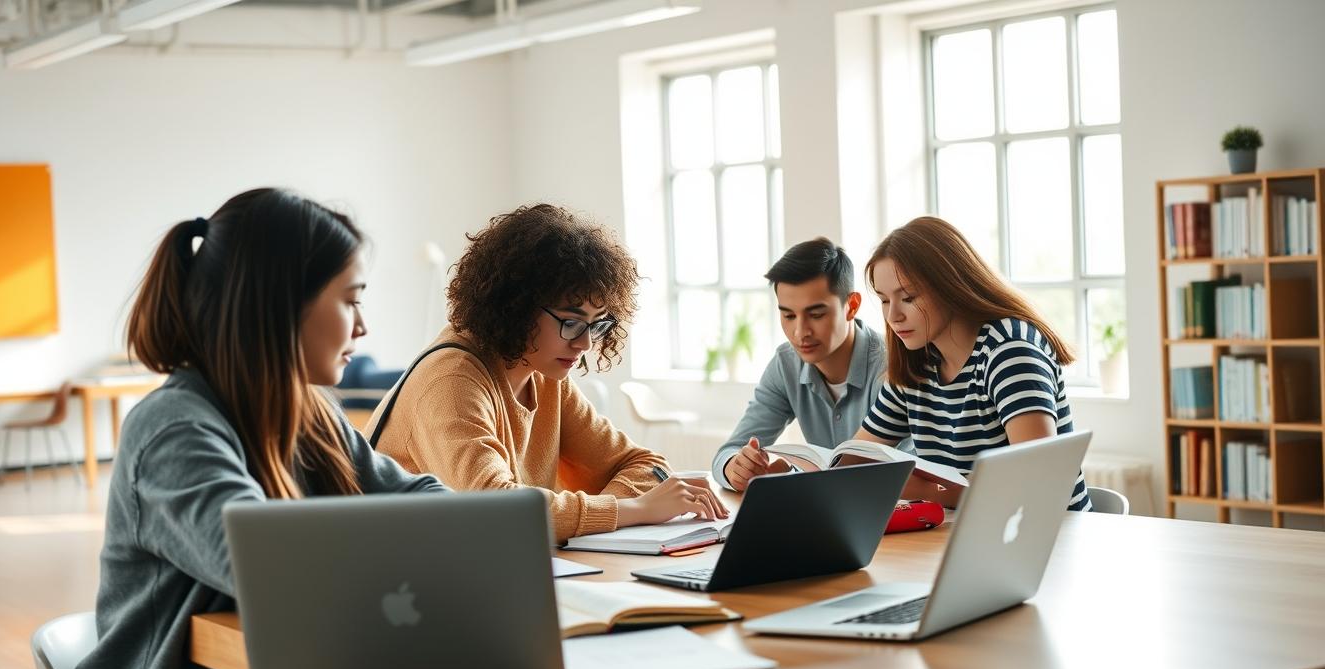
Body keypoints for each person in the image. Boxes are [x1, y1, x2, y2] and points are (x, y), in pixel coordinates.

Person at [69, 189, 449, 669]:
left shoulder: (309, 416)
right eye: (351, 301)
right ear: (280, 306)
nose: (364, 327)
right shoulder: (174, 428)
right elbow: (264, 560)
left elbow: (424, 499)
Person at [365, 203, 726, 543]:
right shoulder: (452, 381)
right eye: (570, 323)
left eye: (597, 325)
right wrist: (632, 509)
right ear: (516, 308)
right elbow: (498, 511)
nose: (584, 344)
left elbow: (642, 464)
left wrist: (612, 515)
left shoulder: (544, 375)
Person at [850, 216, 1093, 511]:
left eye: (909, 297)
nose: (893, 316)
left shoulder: (1009, 350)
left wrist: (928, 489)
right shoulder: (918, 361)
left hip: (1053, 540)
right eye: (884, 300)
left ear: (950, 286)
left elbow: (1035, 486)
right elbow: (856, 457)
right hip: (970, 537)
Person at [711, 237, 889, 491]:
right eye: (788, 315)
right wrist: (735, 468)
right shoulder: (786, 365)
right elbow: (729, 451)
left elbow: (908, 469)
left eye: (816, 315)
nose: (800, 332)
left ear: (851, 306)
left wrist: (793, 472)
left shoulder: (891, 366)